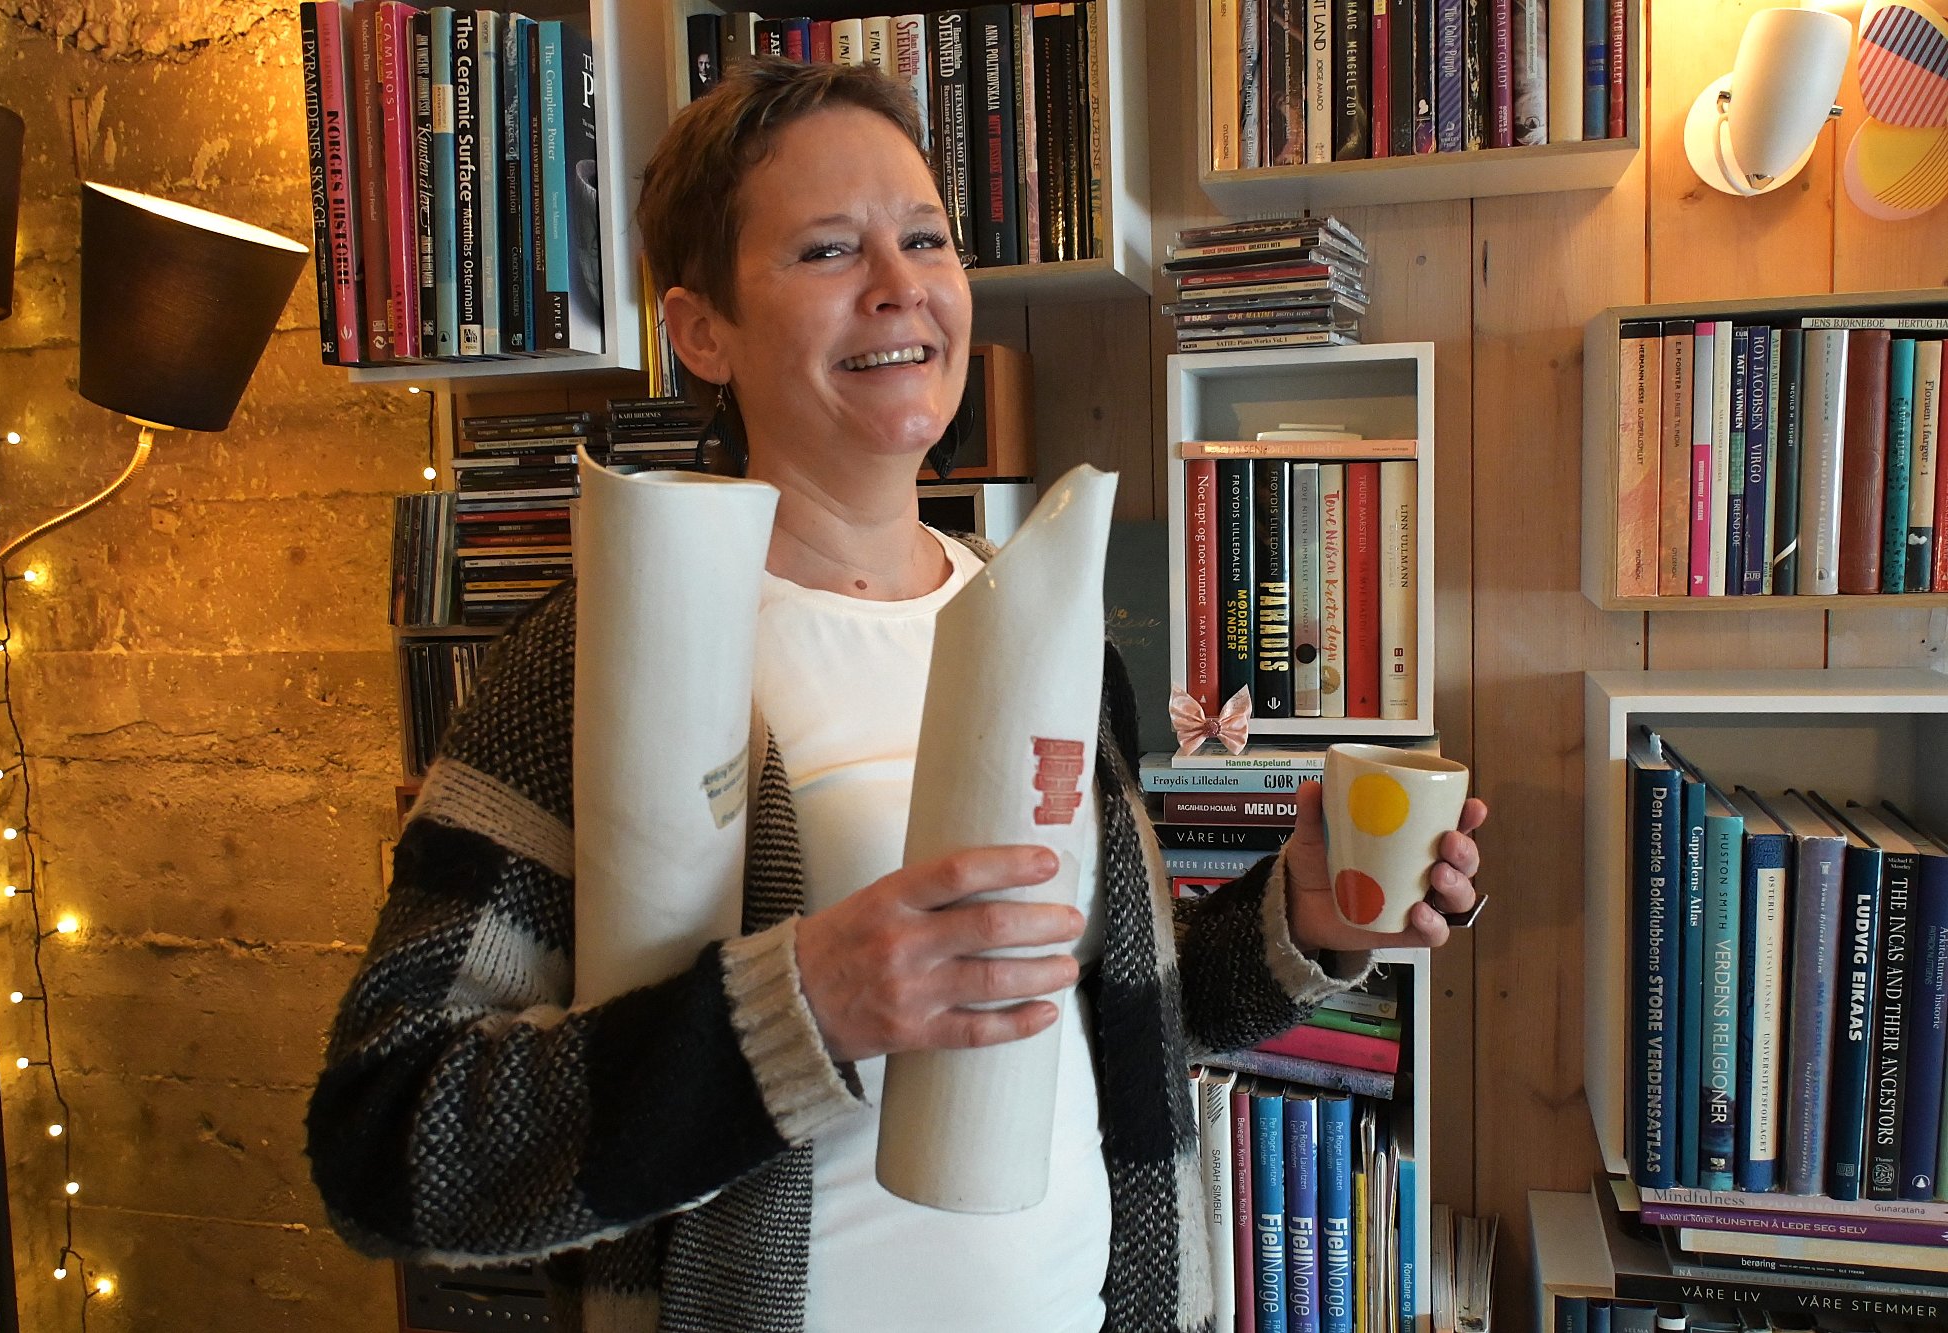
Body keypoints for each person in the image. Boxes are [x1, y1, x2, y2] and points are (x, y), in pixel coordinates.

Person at [305, 58, 1486, 1333]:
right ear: (701, 330)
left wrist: (1301, 916)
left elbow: (1107, 1027)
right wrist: (803, 1006)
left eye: (924, 238)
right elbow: (387, 1147)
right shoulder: (601, 657)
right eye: (826, 249)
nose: (898, 285)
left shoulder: (1046, 631)